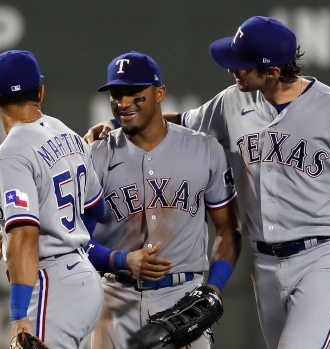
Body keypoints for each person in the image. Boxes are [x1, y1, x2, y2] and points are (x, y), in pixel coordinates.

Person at [85, 17, 330, 349]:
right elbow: (177, 123)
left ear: (273, 72)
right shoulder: (232, 101)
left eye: (242, 64)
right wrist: (117, 127)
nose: (231, 68)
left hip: (322, 258)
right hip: (263, 263)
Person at [85, 51, 241, 349]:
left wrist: (213, 289)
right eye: (116, 95)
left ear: (159, 93)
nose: (124, 103)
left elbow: (228, 231)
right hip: (116, 300)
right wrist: (120, 260)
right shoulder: (95, 156)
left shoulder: (204, 149)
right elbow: (75, 239)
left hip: (183, 300)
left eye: (134, 93)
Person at [0, 50, 105, 348]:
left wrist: (18, 316)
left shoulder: (10, 154)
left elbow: (24, 235)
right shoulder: (67, 134)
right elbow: (94, 207)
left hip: (51, 285)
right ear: (40, 91)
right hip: (84, 281)